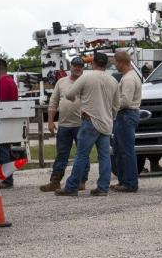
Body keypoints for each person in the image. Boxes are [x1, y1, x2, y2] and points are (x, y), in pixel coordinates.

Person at [56, 52, 119, 197]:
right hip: (106, 122)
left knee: (82, 155)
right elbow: (116, 105)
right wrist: (110, 116)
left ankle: (71, 187)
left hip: (89, 120)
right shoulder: (113, 80)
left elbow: (70, 94)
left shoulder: (86, 77)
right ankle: (103, 187)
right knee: (104, 156)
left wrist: (80, 97)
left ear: (93, 63)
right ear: (106, 65)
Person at [40, 57, 87, 192]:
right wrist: (50, 121)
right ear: (70, 66)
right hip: (64, 125)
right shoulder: (61, 82)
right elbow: (53, 103)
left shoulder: (86, 82)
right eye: (75, 65)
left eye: (80, 66)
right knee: (61, 154)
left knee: (82, 154)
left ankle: (81, 181)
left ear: (83, 68)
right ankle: (55, 181)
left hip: (81, 124)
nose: (77, 68)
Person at [111, 51, 142, 193]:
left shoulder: (129, 79)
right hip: (126, 115)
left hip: (126, 115)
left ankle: (130, 183)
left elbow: (126, 101)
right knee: (120, 149)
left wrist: (111, 104)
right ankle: (124, 181)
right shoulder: (129, 76)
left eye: (116, 62)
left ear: (122, 62)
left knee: (126, 150)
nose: (115, 65)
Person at [0, 58, 19, 189]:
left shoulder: (2, 82)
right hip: (9, 120)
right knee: (4, 150)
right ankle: (6, 178)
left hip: (2, 121)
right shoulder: (10, 81)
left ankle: (7, 179)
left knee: (2, 151)